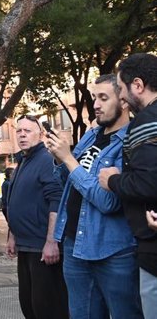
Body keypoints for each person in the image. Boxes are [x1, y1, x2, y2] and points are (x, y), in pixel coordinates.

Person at [47, 74, 142, 318]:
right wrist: (60, 158)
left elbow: (108, 201)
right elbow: (67, 182)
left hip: (112, 251)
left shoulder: (130, 141)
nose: (96, 105)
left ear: (122, 100)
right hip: (74, 245)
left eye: (103, 98)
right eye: (93, 98)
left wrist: (69, 160)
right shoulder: (92, 134)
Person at [98, 53, 157, 317]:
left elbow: (147, 182)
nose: (121, 98)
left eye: (120, 89)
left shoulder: (146, 121)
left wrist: (111, 179)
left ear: (138, 85)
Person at [6, 115, 68, 319]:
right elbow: (17, 201)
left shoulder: (46, 158)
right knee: (29, 306)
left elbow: (56, 200)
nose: (22, 135)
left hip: (42, 249)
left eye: (28, 131)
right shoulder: (23, 160)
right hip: (24, 247)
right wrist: (12, 235)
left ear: (40, 134)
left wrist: (52, 241)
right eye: (19, 131)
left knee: (47, 309)